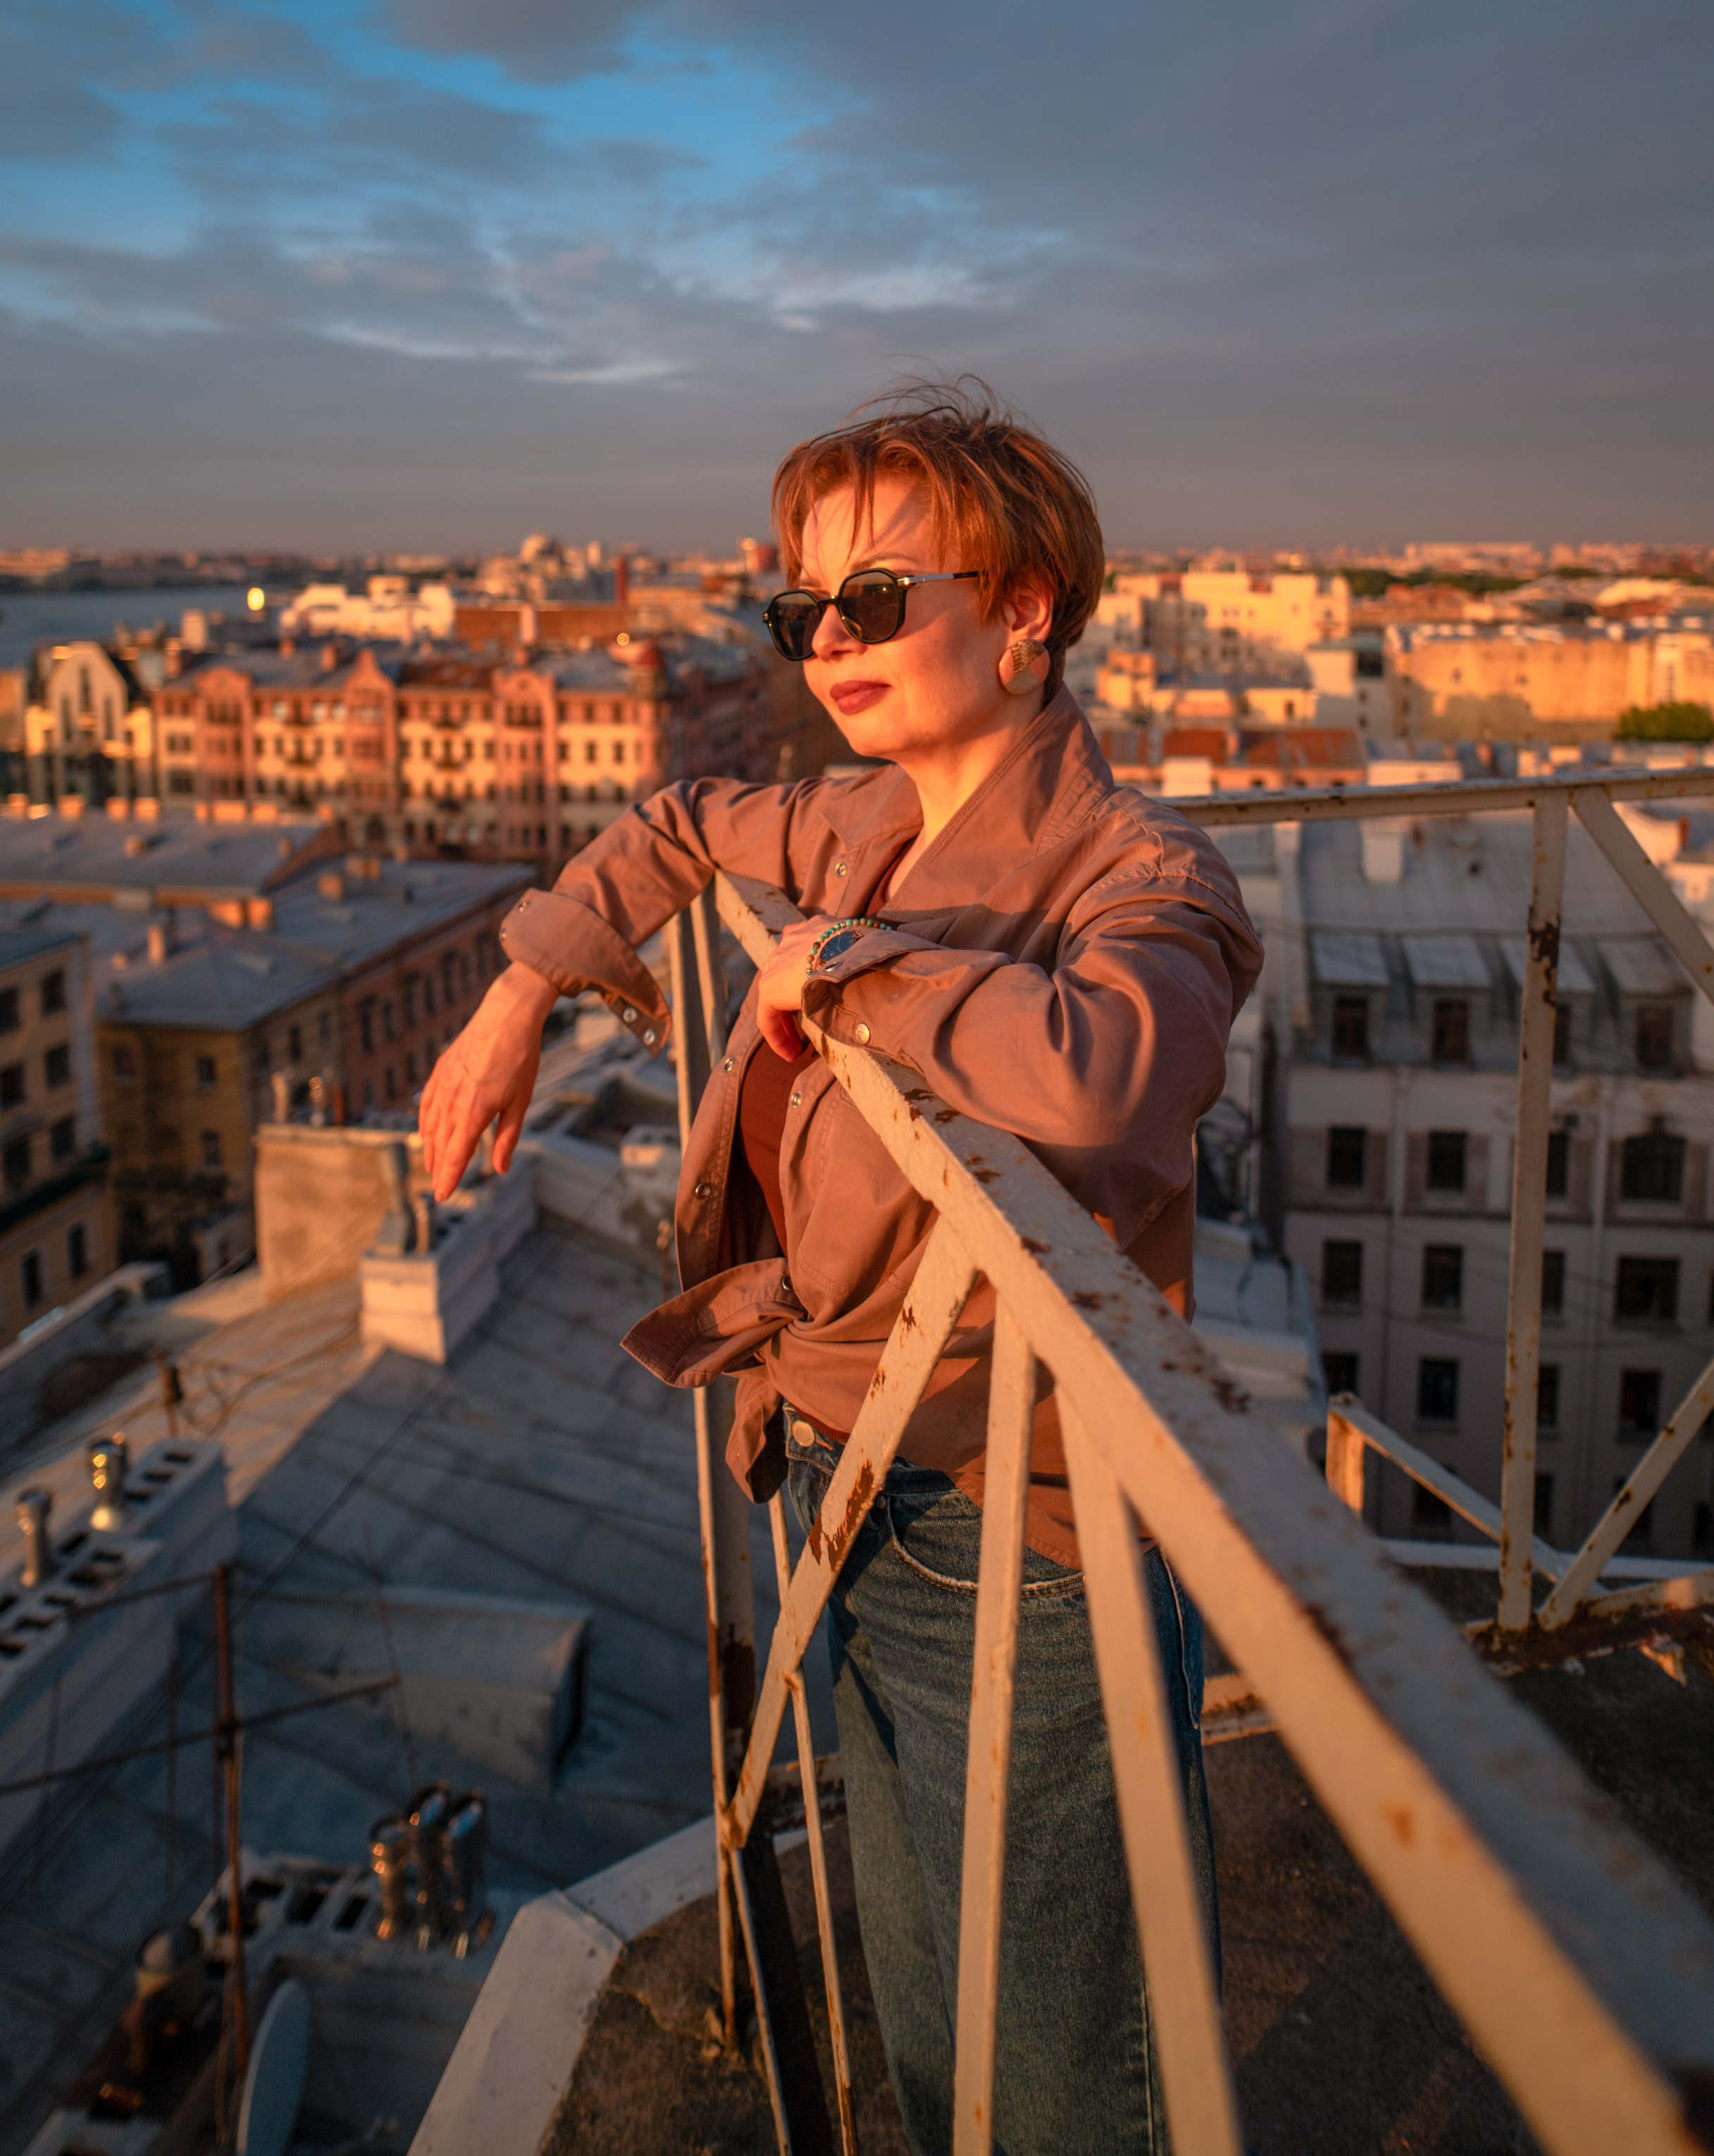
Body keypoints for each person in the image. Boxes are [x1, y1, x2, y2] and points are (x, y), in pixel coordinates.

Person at [420, 383, 1262, 2156]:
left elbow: (1113, 1068)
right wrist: (520, 990)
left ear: (1023, 611)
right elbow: (673, 820)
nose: (824, 644)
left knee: (1063, 2065)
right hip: (841, 1478)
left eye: (871, 601)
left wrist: (851, 975)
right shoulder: (859, 822)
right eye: (798, 609)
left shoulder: (1142, 871)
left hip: (1025, 1537)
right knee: (927, 2008)